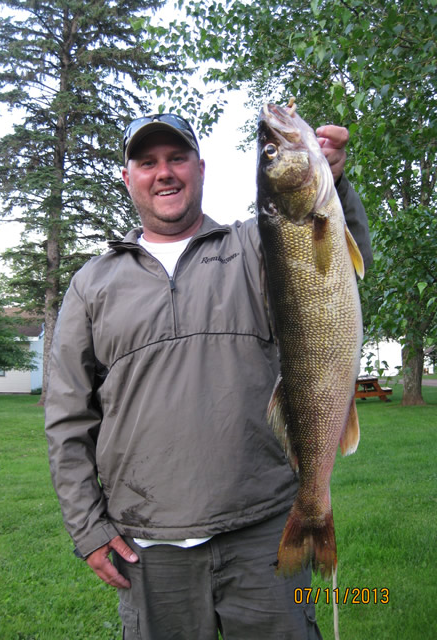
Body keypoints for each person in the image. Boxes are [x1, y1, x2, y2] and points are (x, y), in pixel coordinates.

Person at [45, 112, 372, 640]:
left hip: (265, 531)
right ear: (128, 178)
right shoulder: (91, 284)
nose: (164, 172)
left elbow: (332, 262)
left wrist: (334, 183)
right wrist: (87, 527)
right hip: (149, 546)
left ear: (201, 168)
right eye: (147, 162)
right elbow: (67, 417)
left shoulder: (255, 246)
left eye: (177, 158)